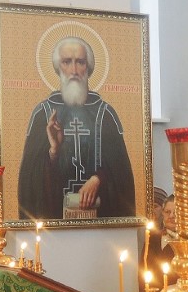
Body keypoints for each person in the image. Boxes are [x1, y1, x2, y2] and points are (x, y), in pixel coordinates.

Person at [18, 36, 135, 219]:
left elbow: (121, 173)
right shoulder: (43, 113)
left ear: (88, 67)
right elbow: (30, 182)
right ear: (58, 67)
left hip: (101, 221)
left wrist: (98, 179)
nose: (73, 70)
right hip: (54, 224)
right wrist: (53, 152)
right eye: (67, 62)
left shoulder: (105, 114)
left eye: (80, 62)